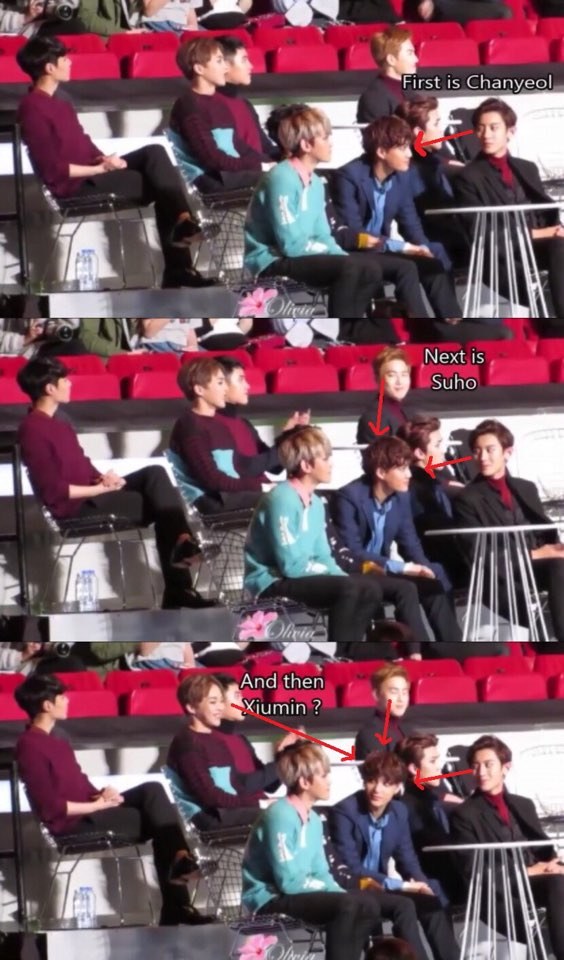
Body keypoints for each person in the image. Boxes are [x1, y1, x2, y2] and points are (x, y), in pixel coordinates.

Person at [16, 36, 214, 290]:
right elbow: (52, 169)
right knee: (160, 185)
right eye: (64, 59)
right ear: (49, 67)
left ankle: (183, 225)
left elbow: (83, 142)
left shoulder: (61, 101)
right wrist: (98, 169)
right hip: (76, 187)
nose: (70, 62)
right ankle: (180, 261)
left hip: (95, 172)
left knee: (154, 153)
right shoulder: (32, 108)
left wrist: (104, 158)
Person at [16, 356, 211, 610]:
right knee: (162, 507)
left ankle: (183, 548)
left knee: (154, 474)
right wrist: (99, 488)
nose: (70, 384)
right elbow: (53, 490)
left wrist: (103, 478)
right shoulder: (32, 429)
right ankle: (180, 581)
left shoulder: (60, 422)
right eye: (64, 380)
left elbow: (82, 464)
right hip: (77, 509)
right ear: (50, 388)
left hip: (95, 494)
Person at [14, 674, 209, 927]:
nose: (67, 701)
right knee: (159, 823)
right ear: (47, 705)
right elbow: (50, 807)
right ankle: (178, 898)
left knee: (152, 791)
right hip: (74, 825)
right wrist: (96, 806)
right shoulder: (29, 745)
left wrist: (102, 794)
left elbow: (79, 782)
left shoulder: (58, 737)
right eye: (61, 697)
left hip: (93, 809)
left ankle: (180, 867)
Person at [242, 741, 430, 960]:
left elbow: (321, 872)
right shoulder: (280, 815)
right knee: (348, 903)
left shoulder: (314, 819)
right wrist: (337, 893)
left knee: (367, 902)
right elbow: (289, 882)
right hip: (270, 897)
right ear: (304, 782)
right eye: (324, 775)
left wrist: (340, 890)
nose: (329, 780)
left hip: (301, 893)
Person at [244, 104, 394, 319]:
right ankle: (339, 328)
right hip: (271, 259)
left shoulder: (315, 182)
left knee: (370, 268)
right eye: (325, 138)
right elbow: (290, 245)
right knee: (349, 267)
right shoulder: (281, 178)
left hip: (301, 254)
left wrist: (338, 253)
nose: (331, 143)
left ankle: (352, 328)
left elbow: (323, 234)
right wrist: (331, 253)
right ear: (306, 144)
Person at [244, 426, 387, 646]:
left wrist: (341, 575)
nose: (331, 464)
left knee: (370, 588)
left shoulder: (317, 503)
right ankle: (338, 652)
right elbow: (291, 566)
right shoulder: (281, 498)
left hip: (302, 576)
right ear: (306, 465)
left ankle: (352, 650)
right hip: (272, 580)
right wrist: (338, 578)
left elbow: (324, 556)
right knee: (348, 587)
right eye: (325, 458)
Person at [333, 436, 463, 647]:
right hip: (357, 569)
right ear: (381, 472)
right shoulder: (348, 497)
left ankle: (453, 645)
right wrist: (405, 568)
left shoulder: (401, 497)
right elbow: (352, 551)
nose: (409, 474)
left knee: (435, 573)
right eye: (402, 469)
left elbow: (410, 542)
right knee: (405, 586)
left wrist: (424, 568)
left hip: (382, 568)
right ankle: (420, 648)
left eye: (408, 468)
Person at [330, 751, 459, 960]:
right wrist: (404, 886)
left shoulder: (399, 811)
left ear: (397, 787)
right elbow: (351, 867)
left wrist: (422, 885)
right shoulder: (344, 812)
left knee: (431, 893)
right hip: (354, 886)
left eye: (386, 783)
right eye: (372, 781)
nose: (377, 789)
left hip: (381, 886)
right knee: (404, 906)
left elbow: (407, 858)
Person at [333, 115, 463, 321]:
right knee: (407, 265)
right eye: (402, 148)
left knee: (434, 251)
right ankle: (421, 324)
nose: (410, 154)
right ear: (382, 152)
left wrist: (422, 247)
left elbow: (409, 220)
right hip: (356, 248)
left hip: (381, 247)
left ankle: (451, 319)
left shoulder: (402, 176)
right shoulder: (349, 177)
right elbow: (353, 231)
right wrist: (404, 247)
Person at [450, 735, 564, 960]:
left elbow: (542, 847)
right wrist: (529, 871)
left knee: (559, 880)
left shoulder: (523, 804)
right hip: (498, 890)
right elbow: (473, 869)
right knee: (557, 885)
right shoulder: (464, 814)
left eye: (488, 764)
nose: (481, 772)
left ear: (505, 767)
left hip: (536, 883)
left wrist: (556, 864)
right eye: (475, 766)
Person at [453, 418, 564, 645]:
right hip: (501, 573)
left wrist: (554, 548)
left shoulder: (526, 488)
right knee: (557, 566)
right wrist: (537, 554)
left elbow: (543, 532)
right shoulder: (467, 498)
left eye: (489, 449)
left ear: (507, 452)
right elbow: (478, 554)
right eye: (477, 451)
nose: (482, 457)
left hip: (536, 567)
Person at [454, 98, 564, 326]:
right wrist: (544, 233)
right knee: (558, 245)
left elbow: (544, 212)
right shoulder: (468, 177)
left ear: (510, 132)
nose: (486, 135)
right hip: (503, 253)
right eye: (480, 128)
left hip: (540, 248)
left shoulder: (527, 168)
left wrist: (555, 229)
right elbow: (482, 234)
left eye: (493, 128)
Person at [167, 674, 271, 831]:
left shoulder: (216, 739)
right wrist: (258, 804)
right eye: (213, 702)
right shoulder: (188, 742)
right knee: (279, 815)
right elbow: (210, 797)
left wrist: (260, 802)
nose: (220, 707)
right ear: (191, 707)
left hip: (228, 810)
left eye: (221, 701)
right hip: (209, 816)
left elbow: (234, 785)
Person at [169, 38, 269, 195]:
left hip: (232, 173)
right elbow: (212, 159)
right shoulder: (189, 105)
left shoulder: (219, 103)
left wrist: (271, 162)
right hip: (211, 179)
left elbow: (238, 145)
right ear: (199, 69)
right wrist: (260, 166)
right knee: (279, 180)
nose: (225, 67)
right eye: (219, 61)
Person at [169, 356, 267, 514]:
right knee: (280, 499)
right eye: (220, 383)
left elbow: (238, 466)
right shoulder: (190, 425)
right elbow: (212, 480)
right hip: (212, 500)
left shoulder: (219, 425)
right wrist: (260, 487)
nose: (226, 389)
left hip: (230, 494)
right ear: (199, 390)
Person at [396, 416, 467, 586]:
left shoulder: (435, 481)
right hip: (440, 566)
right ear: (420, 453)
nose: (443, 451)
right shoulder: (416, 489)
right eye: (437, 445)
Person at [396, 734, 466, 905]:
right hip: (435, 887)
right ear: (414, 769)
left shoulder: (432, 800)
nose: (438, 767)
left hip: (450, 882)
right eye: (433, 761)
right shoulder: (408, 807)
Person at [217, 354, 309, 479]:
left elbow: (274, 468)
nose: (247, 386)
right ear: (221, 384)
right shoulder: (212, 424)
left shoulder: (244, 424)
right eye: (240, 379)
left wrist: (290, 436)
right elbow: (246, 468)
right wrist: (287, 439)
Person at [215, 672, 297, 794]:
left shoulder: (241, 739)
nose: (243, 701)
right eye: (237, 696)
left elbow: (269, 786)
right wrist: (282, 761)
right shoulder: (211, 741)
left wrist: (283, 753)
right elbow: (242, 785)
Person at [218, 37, 278, 163]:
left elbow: (264, 146)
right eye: (244, 60)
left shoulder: (244, 103)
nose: (251, 66)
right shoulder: (211, 105)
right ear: (225, 65)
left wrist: (290, 156)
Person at [357, 27, 418, 125]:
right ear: (391, 60)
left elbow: (419, 129)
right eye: (410, 53)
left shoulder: (410, 91)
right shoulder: (374, 99)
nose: (416, 59)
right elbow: (381, 135)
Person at [355, 664, 412, 760]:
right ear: (376, 695)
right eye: (394, 692)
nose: (401, 699)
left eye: (404, 692)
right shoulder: (370, 734)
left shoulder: (410, 730)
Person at [357, 346, 412, 445]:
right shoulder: (373, 417)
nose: (399, 381)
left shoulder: (406, 411)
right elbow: (381, 454)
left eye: (404, 375)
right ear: (377, 379)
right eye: (391, 375)